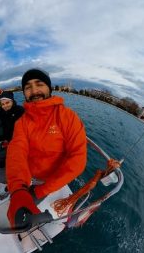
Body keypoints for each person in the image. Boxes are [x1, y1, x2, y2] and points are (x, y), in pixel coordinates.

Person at [6, 69, 87, 228]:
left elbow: (78, 159)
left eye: (39, 84)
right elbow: (17, 151)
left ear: (49, 88)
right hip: (28, 178)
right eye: (28, 87)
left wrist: (40, 190)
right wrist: (18, 189)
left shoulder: (68, 117)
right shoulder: (22, 123)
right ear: (24, 93)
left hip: (53, 181)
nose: (34, 90)